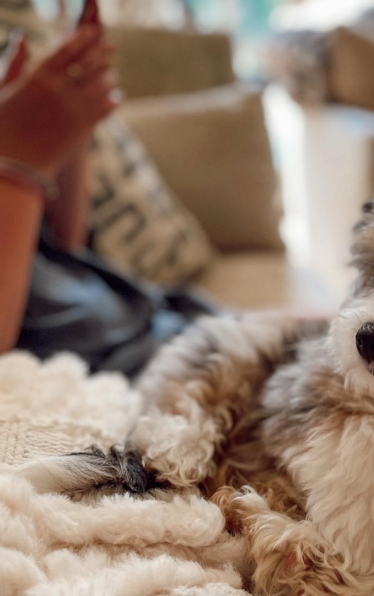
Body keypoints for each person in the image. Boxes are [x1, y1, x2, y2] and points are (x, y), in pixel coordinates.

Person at [0, 25, 215, 377]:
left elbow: (67, 242)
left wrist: (67, 126)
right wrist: (17, 165)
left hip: (154, 321)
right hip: (123, 368)